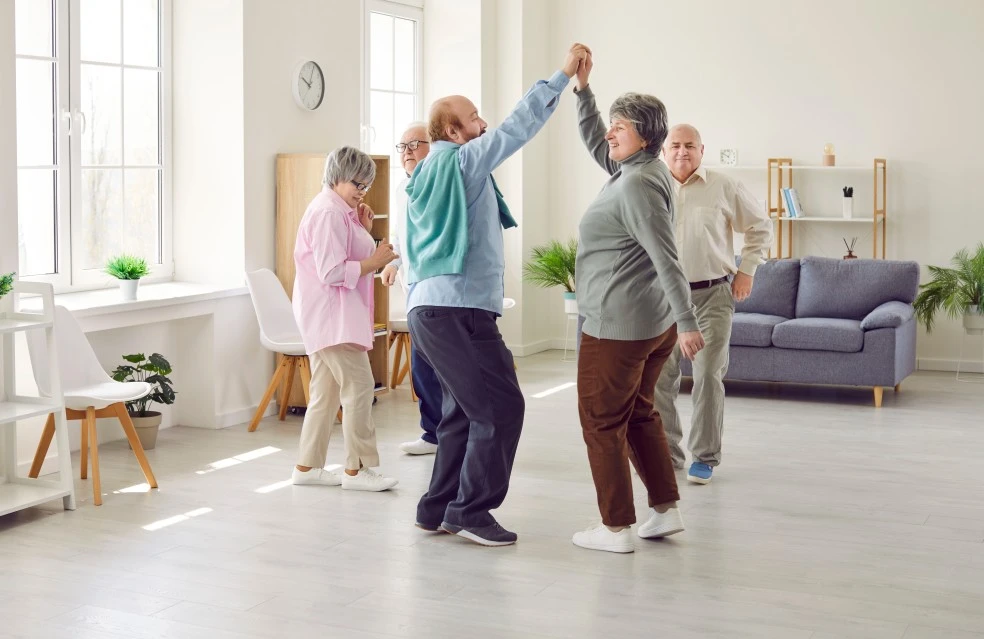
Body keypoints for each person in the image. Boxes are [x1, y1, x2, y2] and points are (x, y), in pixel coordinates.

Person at [404, 44, 589, 547]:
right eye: (472, 117)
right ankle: (471, 511)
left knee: (465, 410)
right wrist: (561, 76)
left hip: (439, 308)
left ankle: (438, 508)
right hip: (454, 309)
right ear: (451, 131)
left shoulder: (425, 173)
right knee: (498, 407)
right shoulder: (461, 163)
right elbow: (516, 127)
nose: (482, 122)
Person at [570, 50, 705, 554]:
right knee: (639, 413)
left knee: (601, 420)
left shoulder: (638, 187)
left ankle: (615, 528)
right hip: (647, 324)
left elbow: (668, 259)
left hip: (618, 328)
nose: (611, 133)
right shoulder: (638, 170)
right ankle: (664, 511)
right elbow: (594, 141)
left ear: (644, 136)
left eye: (620, 127)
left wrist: (689, 322)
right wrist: (584, 92)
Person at [653, 124, 773, 485]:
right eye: (675, 145)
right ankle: (666, 454)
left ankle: (704, 456)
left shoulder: (724, 185)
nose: (682, 152)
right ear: (663, 151)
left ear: (702, 151)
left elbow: (760, 227)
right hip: (662, 299)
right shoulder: (650, 186)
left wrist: (747, 270)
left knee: (707, 374)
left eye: (690, 145)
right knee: (660, 378)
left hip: (712, 295)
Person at [290, 146, 399, 492]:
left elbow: (345, 254)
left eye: (366, 186)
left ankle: (307, 467)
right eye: (357, 184)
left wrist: (364, 227)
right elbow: (332, 271)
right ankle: (358, 469)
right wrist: (376, 259)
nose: (361, 192)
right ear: (337, 176)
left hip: (331, 317)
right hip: (331, 318)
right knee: (360, 388)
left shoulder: (339, 211)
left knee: (326, 393)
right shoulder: (328, 213)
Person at [381, 123, 442, 456]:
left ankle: (451, 433)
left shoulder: (441, 183)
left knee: (440, 365)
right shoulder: (401, 189)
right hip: (415, 292)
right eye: (402, 145)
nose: (407, 151)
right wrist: (393, 263)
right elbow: (401, 239)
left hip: (441, 290)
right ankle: (432, 433)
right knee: (423, 368)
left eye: (415, 144)